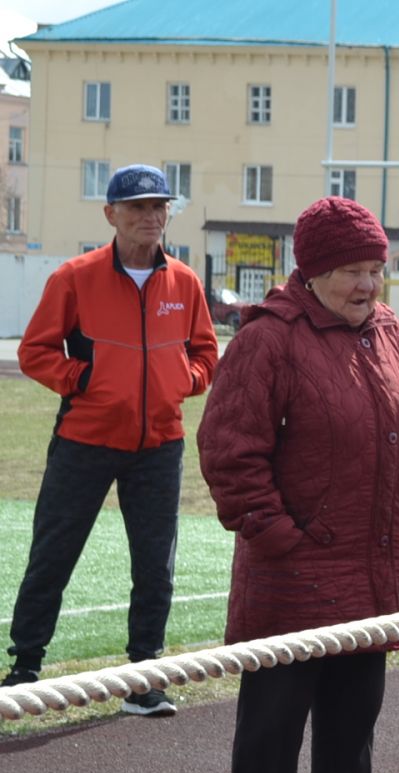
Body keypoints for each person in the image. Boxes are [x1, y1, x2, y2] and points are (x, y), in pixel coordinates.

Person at [196, 198, 399, 773]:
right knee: (273, 720)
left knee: (353, 716)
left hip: (374, 569)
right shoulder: (268, 339)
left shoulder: (390, 332)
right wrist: (282, 538)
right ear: (311, 270)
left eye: (375, 270)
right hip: (292, 573)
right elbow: (229, 452)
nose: (366, 285)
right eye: (349, 271)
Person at [5, 164, 218, 709]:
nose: (150, 216)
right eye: (138, 207)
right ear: (111, 215)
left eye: (158, 207)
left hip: (159, 446)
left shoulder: (185, 282)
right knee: (54, 553)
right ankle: (25, 667)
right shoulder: (75, 277)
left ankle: (144, 677)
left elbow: (205, 354)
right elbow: (35, 351)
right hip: (85, 439)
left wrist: (182, 382)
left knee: (155, 565)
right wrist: (83, 380)